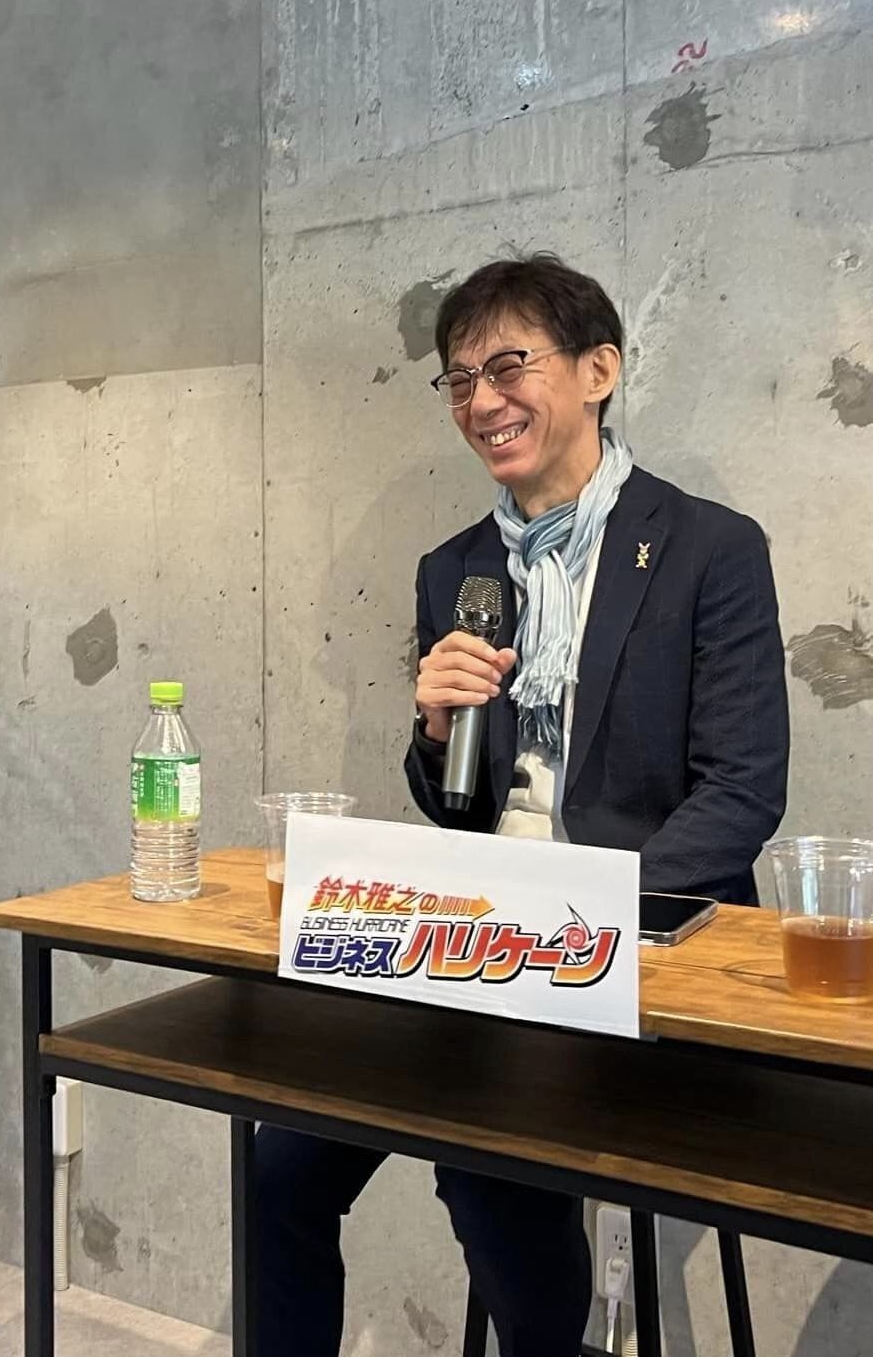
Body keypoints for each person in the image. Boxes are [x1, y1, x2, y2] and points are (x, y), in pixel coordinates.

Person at [255, 253, 789, 1357]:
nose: (481, 401)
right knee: (279, 1165)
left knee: (486, 1156)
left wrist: (573, 916)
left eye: (507, 366)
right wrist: (435, 731)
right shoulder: (456, 570)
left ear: (598, 370)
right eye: (458, 380)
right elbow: (459, 815)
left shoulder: (708, 548)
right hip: (482, 955)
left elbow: (741, 794)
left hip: (640, 958)